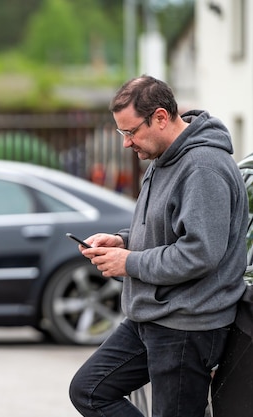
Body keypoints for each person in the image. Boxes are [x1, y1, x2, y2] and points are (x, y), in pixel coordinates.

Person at [68, 75, 249, 417]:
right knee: (89, 390)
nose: (126, 143)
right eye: (122, 133)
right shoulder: (163, 157)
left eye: (130, 132)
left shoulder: (203, 168)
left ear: (161, 117)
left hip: (187, 325)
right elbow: (165, 229)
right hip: (150, 316)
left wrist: (130, 262)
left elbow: (199, 253)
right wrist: (122, 240)